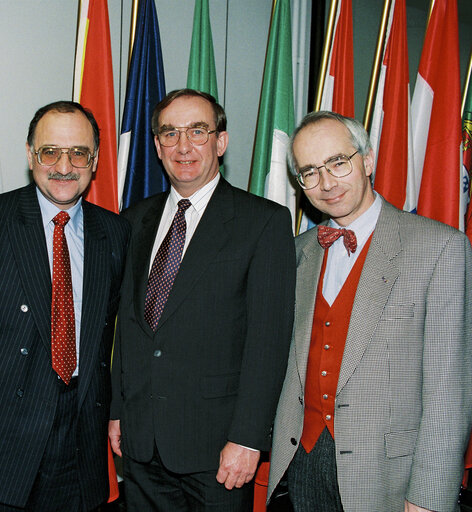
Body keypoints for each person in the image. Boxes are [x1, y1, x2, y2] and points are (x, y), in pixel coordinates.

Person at [267, 111, 472, 512]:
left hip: (388, 477)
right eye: (309, 172)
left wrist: (429, 496)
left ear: (367, 160)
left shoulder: (439, 249)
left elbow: (450, 391)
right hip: (302, 462)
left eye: (338, 162)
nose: (326, 182)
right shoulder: (296, 253)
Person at [0, 101, 130, 511]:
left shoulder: (116, 232)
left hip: (77, 441)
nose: (64, 166)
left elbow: (107, 332)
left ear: (96, 160)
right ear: (30, 154)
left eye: (79, 153)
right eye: (50, 152)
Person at [108, 89, 296, 511]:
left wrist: (248, 438)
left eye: (198, 130)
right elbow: (127, 326)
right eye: (170, 133)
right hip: (141, 443)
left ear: (221, 141)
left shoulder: (262, 223)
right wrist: (119, 409)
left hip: (217, 451)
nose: (184, 145)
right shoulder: (134, 220)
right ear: (157, 147)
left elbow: (268, 343)